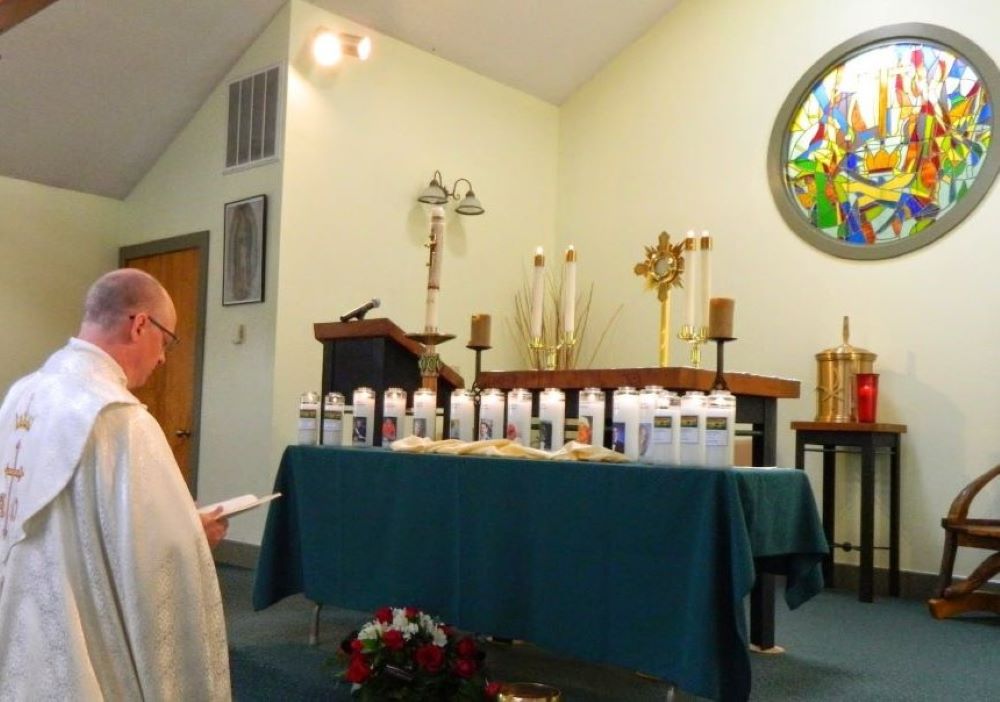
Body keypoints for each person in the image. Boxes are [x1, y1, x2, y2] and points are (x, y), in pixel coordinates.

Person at [0, 269, 231, 700]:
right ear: (140, 324)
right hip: (80, 630)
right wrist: (194, 536)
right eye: (167, 341)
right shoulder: (120, 420)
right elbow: (154, 558)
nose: (163, 358)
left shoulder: (23, 395)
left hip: (18, 615)